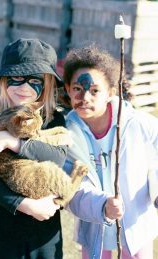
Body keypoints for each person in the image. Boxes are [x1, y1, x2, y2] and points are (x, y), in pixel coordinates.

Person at [0, 38, 69, 259]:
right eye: (16, 78)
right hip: (2, 233)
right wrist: (23, 204)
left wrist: (12, 141)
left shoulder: (53, 120)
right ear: (4, 80)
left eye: (34, 79)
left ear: (46, 83)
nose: (24, 87)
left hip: (45, 236)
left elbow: (57, 158)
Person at [61, 44, 158, 259]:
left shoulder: (138, 125)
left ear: (110, 93)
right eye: (78, 88)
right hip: (94, 223)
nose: (85, 97)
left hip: (136, 223)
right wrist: (102, 206)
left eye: (95, 90)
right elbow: (70, 188)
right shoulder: (66, 135)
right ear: (67, 89)